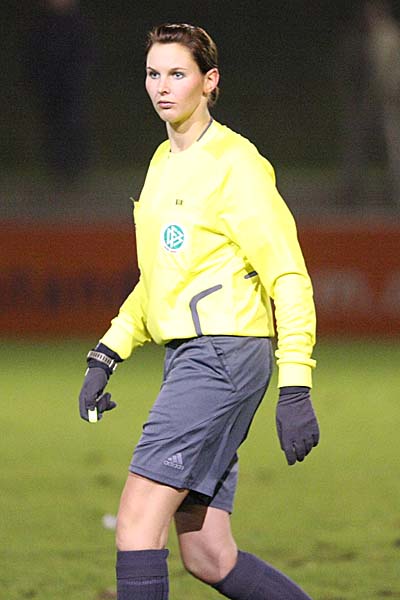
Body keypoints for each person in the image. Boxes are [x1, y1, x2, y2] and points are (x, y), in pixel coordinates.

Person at [78, 23, 320, 600]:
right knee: (208, 553)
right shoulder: (163, 162)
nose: (162, 87)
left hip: (222, 355)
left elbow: (288, 275)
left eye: (177, 74)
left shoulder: (237, 164)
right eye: (153, 73)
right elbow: (161, 278)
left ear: (209, 82)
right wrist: (108, 352)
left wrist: (296, 385)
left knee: (138, 520)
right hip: (195, 355)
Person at [25, 0, 93, 181]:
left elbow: (85, 53)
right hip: (49, 84)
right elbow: (33, 54)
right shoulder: (41, 23)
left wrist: (79, 74)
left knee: (73, 124)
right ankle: (57, 170)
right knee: (52, 126)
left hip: (71, 84)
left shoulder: (76, 23)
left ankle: (74, 170)